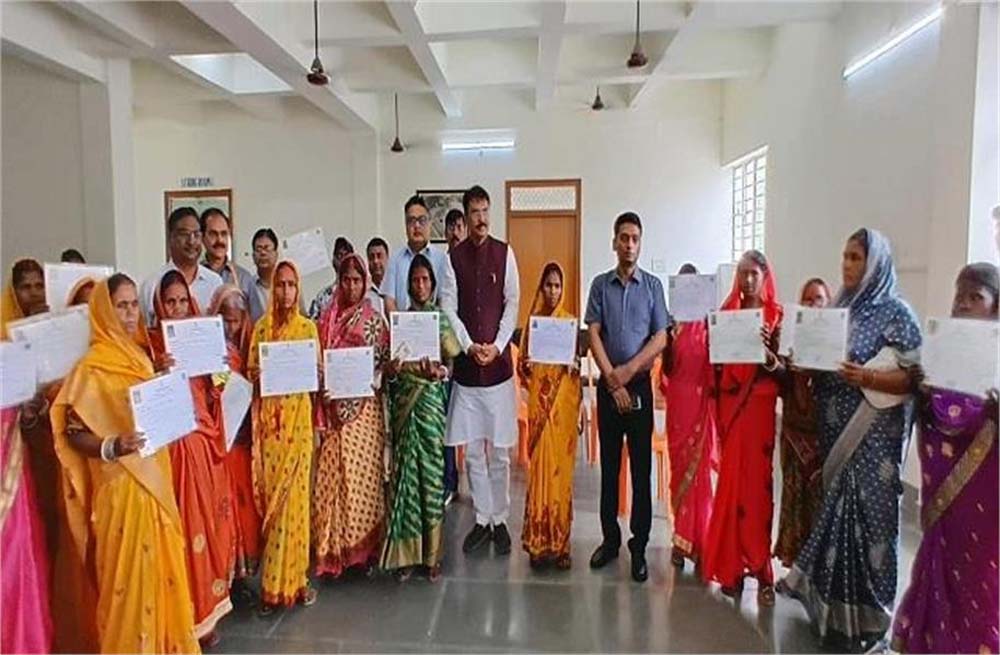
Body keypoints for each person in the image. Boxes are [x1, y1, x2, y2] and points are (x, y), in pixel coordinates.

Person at [780, 228, 922, 652]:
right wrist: (800, 362)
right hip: (834, 435)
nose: (847, 265)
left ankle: (873, 621)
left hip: (874, 440)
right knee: (835, 520)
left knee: (873, 525)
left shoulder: (897, 313)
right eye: (844, 256)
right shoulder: (837, 312)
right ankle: (833, 617)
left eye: (856, 257)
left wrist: (868, 377)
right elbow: (819, 367)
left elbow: (914, 377)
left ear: (876, 263)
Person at [51, 274, 199, 653]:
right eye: (121, 306)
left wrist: (162, 381)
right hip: (119, 490)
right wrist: (112, 445)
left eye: (134, 305)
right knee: (125, 588)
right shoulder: (91, 368)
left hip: (155, 485)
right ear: (104, 310)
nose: (131, 314)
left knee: (161, 575)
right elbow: (73, 432)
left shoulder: (140, 357)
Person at [890, 262, 998, 654]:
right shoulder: (940, 352)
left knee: (981, 584)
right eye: (959, 295)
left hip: (986, 505)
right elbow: (938, 418)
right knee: (941, 566)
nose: (964, 304)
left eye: (975, 297)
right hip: (945, 502)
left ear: (995, 305)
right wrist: (922, 391)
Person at [148, 270, 234, 647]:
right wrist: (156, 370)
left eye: (183, 301)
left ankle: (205, 615)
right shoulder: (149, 346)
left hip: (201, 447)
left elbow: (217, 394)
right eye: (170, 302)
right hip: (169, 454)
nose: (178, 308)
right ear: (159, 305)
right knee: (177, 536)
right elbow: (139, 399)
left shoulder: (200, 338)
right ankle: (181, 619)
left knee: (205, 529)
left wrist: (218, 372)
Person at [585, 212, 669, 583]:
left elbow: (661, 337)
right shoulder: (600, 286)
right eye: (623, 237)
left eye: (635, 238)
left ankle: (639, 546)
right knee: (609, 468)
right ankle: (610, 540)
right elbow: (593, 333)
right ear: (614, 242)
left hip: (638, 387)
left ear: (641, 243)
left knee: (640, 469)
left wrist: (629, 372)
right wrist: (612, 380)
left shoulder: (652, 287)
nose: (629, 244)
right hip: (609, 388)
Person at [700, 250, 783, 605]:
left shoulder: (776, 318)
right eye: (743, 274)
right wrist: (713, 339)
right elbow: (715, 369)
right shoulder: (727, 316)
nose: (748, 281)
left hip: (760, 413)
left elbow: (785, 374)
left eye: (754, 274)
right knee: (731, 491)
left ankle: (762, 571)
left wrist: (769, 355)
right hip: (731, 412)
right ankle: (731, 569)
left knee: (758, 493)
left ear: (765, 277)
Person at [441, 185, 520, 557]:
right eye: (475, 212)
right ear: (466, 215)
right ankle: (482, 518)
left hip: (499, 370)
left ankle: (500, 519)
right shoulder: (452, 259)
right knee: (473, 451)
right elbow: (448, 306)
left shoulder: (505, 253)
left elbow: (512, 303)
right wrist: (469, 345)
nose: (481, 218)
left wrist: (498, 345)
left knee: (500, 452)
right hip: (468, 371)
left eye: (486, 211)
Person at [381, 254, 461, 580]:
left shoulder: (439, 320)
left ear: (433, 283)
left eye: (425, 279)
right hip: (404, 407)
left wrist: (439, 372)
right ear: (408, 285)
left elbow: (451, 363)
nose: (420, 285)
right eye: (415, 280)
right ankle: (406, 557)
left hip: (429, 406)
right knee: (406, 479)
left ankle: (431, 556)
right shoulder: (399, 322)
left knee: (430, 478)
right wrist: (392, 370)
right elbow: (388, 370)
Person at [247, 260, 319, 614]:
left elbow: (316, 380)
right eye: (280, 284)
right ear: (272, 288)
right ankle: (272, 587)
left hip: (299, 428)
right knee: (275, 509)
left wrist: (317, 372)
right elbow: (250, 374)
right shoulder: (261, 329)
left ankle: (298, 580)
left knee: (297, 507)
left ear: (298, 288)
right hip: (271, 432)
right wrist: (260, 375)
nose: (286, 291)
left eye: (291, 285)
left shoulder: (308, 329)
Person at [313, 254, 390, 577]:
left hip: (365, 412)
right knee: (332, 478)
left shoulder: (374, 320)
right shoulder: (326, 319)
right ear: (339, 281)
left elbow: (385, 363)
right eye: (346, 280)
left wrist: (371, 381)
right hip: (334, 410)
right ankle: (334, 553)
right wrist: (323, 386)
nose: (351, 286)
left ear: (365, 282)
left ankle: (362, 553)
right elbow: (318, 363)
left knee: (361, 481)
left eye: (357, 280)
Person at [0, 260, 53, 655]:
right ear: (13, 292)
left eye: (39, 285)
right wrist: (26, 411)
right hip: (15, 460)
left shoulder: (56, 333)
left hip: (55, 450)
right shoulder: (4, 341)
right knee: (20, 545)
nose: (33, 293)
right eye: (26, 287)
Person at [519, 262, 582, 570]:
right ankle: (538, 542)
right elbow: (522, 370)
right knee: (540, 474)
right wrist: (528, 365)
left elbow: (576, 370)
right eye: (548, 285)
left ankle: (560, 545)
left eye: (557, 286)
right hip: (540, 413)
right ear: (541, 288)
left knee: (560, 477)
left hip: (562, 413)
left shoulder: (569, 324)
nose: (553, 291)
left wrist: (573, 366)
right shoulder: (534, 326)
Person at [659, 263, 718, 572]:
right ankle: (680, 540)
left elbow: (718, 367)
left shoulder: (709, 328)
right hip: (679, 407)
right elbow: (667, 370)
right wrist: (668, 338)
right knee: (680, 471)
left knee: (700, 477)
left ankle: (702, 541)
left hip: (701, 406)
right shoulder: (674, 328)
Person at [207, 285, 262, 605]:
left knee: (244, 510)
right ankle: (223, 578)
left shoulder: (249, 349)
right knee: (223, 511)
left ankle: (241, 578)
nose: (230, 327)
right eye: (224, 320)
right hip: (218, 445)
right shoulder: (207, 354)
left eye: (236, 321)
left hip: (242, 442)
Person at [773, 277, 831, 567]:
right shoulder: (789, 335)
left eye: (818, 298)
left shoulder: (836, 339)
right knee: (794, 500)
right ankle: (794, 569)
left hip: (824, 436)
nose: (812, 304)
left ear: (828, 303)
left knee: (819, 503)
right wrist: (780, 363)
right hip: (794, 433)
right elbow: (780, 382)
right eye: (807, 299)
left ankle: (818, 571)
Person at [141, 206, 223, 324]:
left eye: (196, 234)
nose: (191, 241)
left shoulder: (214, 282)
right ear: (171, 238)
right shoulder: (152, 284)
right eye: (184, 234)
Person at [383, 196, 455, 313]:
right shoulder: (395, 259)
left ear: (430, 223)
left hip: (434, 322)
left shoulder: (442, 259)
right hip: (402, 323)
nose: (416, 226)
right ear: (406, 225)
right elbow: (389, 301)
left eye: (422, 220)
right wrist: (401, 323)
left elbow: (446, 300)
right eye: (411, 221)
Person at [201, 207, 266, 323]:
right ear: (202, 237)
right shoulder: (194, 277)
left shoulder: (244, 279)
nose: (220, 240)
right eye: (213, 234)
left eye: (224, 234)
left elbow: (258, 323)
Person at [442, 207, 467, 502]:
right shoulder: (441, 264)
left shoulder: (473, 262)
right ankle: (449, 480)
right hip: (447, 354)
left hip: (470, 351)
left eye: (460, 226)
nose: (456, 232)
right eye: (451, 227)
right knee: (447, 419)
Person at [308, 236, 354, 321]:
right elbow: (312, 325)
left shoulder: (361, 296)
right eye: (339, 255)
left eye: (346, 255)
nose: (343, 260)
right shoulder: (323, 297)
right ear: (333, 260)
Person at [250, 227, 280, 323]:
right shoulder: (248, 286)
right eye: (258, 249)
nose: (263, 253)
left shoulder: (288, 284)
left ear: (276, 254)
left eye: (267, 248)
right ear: (253, 256)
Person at [366, 237, 390, 314]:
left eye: (379, 256)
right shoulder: (363, 294)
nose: (375, 261)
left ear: (388, 258)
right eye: (371, 257)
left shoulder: (397, 290)